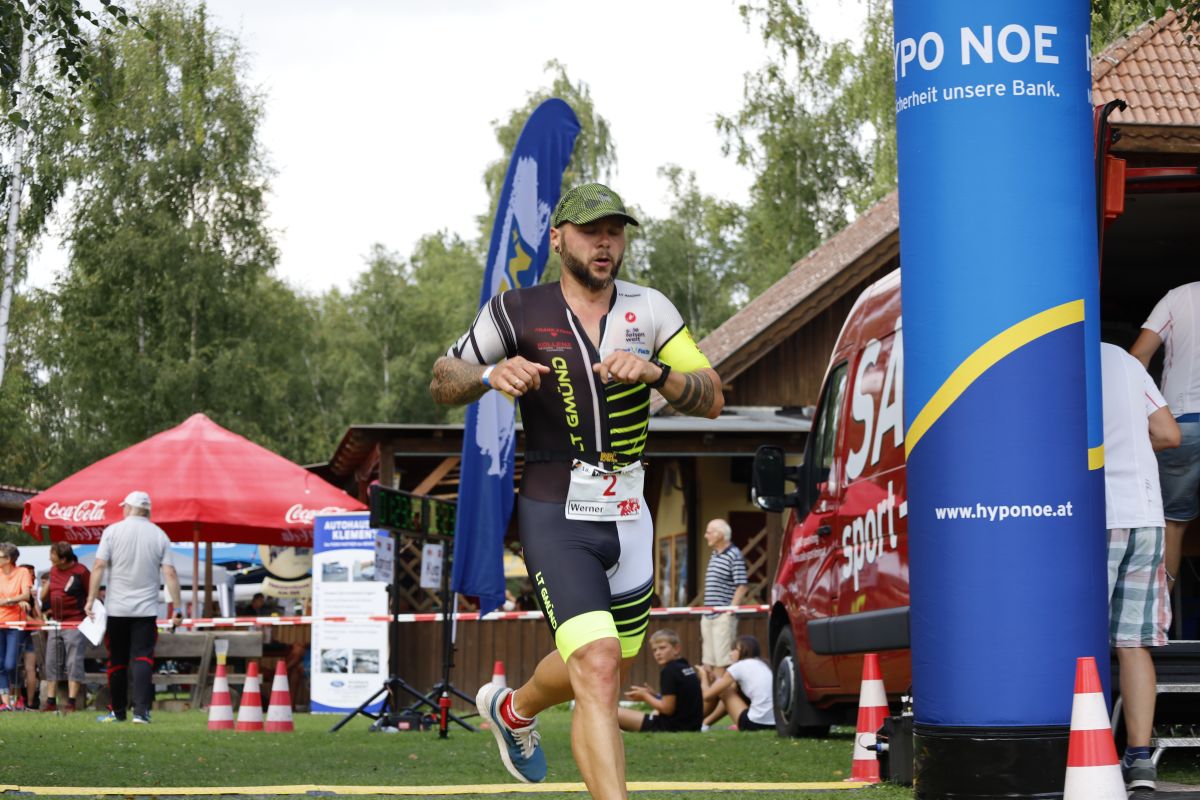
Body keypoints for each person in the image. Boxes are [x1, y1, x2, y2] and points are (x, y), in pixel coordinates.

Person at [431, 182, 723, 798]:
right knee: (597, 665)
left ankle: (513, 710)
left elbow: (712, 396)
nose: (605, 243)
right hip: (554, 508)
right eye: (591, 232)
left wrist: (657, 373)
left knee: (605, 660)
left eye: (614, 232)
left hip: (630, 512)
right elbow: (442, 378)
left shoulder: (650, 309)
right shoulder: (517, 309)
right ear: (558, 238)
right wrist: (489, 373)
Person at [1101, 342, 1181, 791]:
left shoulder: (1054, 355)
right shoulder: (1126, 361)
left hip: (1097, 514)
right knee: (1134, 643)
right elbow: (1169, 434)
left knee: (1080, 638)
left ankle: (1081, 748)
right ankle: (1139, 760)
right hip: (1147, 513)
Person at [85, 491, 184, 723]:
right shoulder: (159, 535)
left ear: (128, 508)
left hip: (116, 609)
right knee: (143, 659)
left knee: (116, 661)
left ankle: (118, 711)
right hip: (146, 611)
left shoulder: (112, 531)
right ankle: (141, 712)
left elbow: (98, 566)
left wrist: (91, 599)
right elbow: (170, 573)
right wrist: (177, 608)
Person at [1130, 281, 1200, 591]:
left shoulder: (1180, 297)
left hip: (1184, 421)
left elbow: (1138, 356)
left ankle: (1161, 614)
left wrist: (1142, 412)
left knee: (1172, 523)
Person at [616, 629, 702, 733]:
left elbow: (667, 709)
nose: (658, 653)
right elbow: (681, 702)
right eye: (654, 650)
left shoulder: (669, 671)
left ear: (676, 648)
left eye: (662, 648)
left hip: (672, 727)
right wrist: (654, 695)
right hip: (692, 726)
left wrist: (645, 696)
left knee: (614, 713)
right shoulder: (685, 667)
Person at [41, 542, 91, 713]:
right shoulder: (53, 570)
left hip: (75, 622)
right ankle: (50, 701)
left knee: (73, 661)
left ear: (63, 559)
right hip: (56, 622)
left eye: (53, 555)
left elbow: (91, 594)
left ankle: (71, 702)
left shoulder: (81, 572)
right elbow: (44, 596)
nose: (50, 558)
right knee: (51, 661)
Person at [700, 519, 749, 680]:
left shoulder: (734, 554)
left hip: (722, 615)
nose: (706, 536)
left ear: (719, 535)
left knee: (723, 661)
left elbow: (742, 585)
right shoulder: (715, 554)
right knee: (708, 661)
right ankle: (712, 693)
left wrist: (729, 612)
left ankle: (721, 693)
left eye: (709, 532)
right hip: (709, 613)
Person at [699, 635, 775, 732]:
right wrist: (716, 678)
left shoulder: (738, 666)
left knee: (724, 691)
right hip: (776, 724)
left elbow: (707, 696)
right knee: (731, 690)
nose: (730, 654)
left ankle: (697, 723)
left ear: (745, 651)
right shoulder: (765, 664)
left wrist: (703, 676)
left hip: (755, 724)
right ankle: (704, 724)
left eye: (734, 650)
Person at [0, 542, 32, 711]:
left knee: (10, 664)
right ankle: (6, 703)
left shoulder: (22, 572)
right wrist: (15, 601)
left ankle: (17, 697)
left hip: (15, 623)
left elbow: (26, 595)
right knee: (0, 665)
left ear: (9, 559)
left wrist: (8, 601)